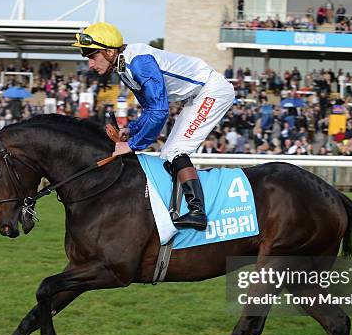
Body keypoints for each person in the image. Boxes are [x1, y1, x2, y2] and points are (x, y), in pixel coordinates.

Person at [73, 22, 235, 231]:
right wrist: (132, 128)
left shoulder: (138, 63)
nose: (91, 65)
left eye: (93, 57)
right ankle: (177, 208)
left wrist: (132, 145)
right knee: (168, 154)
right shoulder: (124, 67)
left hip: (212, 91)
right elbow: (151, 108)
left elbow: (160, 112)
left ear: (109, 51)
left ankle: (198, 213)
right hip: (195, 96)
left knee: (177, 150)